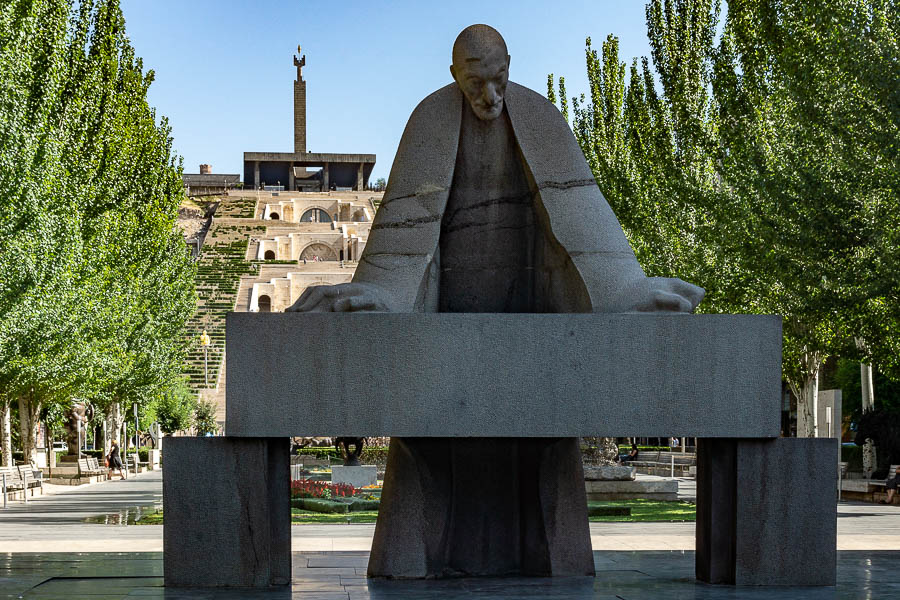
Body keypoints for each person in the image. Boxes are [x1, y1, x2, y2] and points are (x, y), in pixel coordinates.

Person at [287, 25, 704, 578]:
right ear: (455, 75)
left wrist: (627, 289)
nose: (489, 96)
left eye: (498, 79)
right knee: (427, 453)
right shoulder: (430, 119)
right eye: (475, 83)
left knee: (545, 445)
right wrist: (382, 291)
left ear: (511, 65)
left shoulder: (540, 115)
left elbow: (583, 211)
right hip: (442, 327)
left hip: (532, 313)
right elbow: (404, 225)